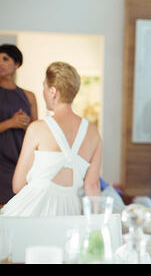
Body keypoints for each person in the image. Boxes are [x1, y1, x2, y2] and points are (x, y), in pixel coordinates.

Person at [1, 62, 102, 216]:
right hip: (70, 212)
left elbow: (18, 185)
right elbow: (93, 186)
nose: (43, 92)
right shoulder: (94, 133)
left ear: (53, 91)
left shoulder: (37, 128)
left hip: (34, 213)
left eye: (44, 87)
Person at [0, 44, 38, 205]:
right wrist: (11, 122)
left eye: (5, 59)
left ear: (16, 65)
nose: (0, 63)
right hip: (1, 163)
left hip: (22, 162)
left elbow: (37, 131)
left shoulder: (28, 96)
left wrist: (26, 124)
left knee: (19, 209)